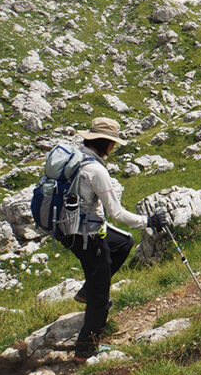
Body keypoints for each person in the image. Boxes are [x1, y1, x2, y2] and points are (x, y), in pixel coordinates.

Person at [67, 117, 167, 361]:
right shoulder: (96, 170)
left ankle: (87, 290)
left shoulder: (75, 157)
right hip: (86, 236)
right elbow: (116, 212)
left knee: (123, 243)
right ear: (106, 143)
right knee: (101, 296)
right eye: (113, 143)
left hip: (68, 229)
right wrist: (148, 222)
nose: (114, 148)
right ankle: (85, 349)